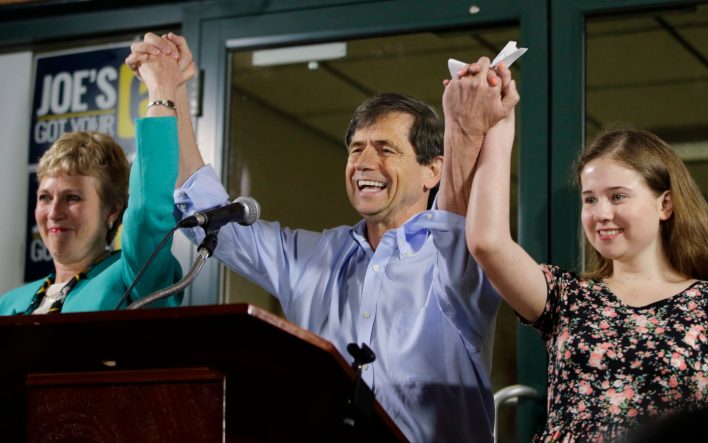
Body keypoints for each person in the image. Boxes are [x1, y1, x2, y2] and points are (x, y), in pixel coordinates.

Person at [126, 33, 517, 442]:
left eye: (386, 149)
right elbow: (204, 211)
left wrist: (467, 125)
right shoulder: (313, 257)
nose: (365, 163)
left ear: (431, 172)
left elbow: (457, 216)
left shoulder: (458, 255)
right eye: (356, 149)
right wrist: (173, 88)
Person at [463, 94, 708, 441]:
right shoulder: (568, 297)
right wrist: (499, 126)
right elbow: (487, 242)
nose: (601, 213)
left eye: (618, 196)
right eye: (590, 199)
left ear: (664, 203)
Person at [0, 69, 184, 315]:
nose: (54, 212)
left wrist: (161, 88)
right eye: (45, 197)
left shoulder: (132, 278)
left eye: (72, 197)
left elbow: (147, 212)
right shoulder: (9, 303)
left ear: (112, 211)